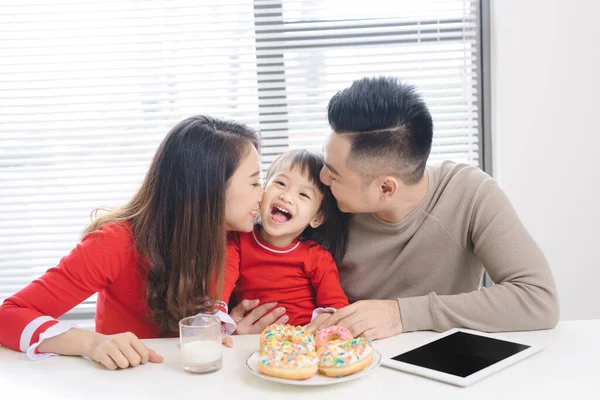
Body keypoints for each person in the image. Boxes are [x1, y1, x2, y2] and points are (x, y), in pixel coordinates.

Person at [0, 115, 287, 370]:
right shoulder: (115, 244)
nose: (263, 195)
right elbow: (7, 317)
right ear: (209, 190)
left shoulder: (235, 238)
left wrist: (228, 334)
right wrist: (91, 343)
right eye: (254, 182)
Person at [308, 76, 560, 339]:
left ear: (386, 188)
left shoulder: (468, 194)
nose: (323, 178)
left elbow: (538, 299)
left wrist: (401, 314)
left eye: (334, 175)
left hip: (443, 367)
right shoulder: (317, 198)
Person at [220, 149, 349, 327]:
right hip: (252, 341)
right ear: (262, 189)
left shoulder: (317, 257)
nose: (286, 196)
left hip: (302, 341)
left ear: (317, 218)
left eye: (303, 195)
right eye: (280, 183)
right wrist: (216, 321)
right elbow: (220, 285)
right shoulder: (238, 241)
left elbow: (336, 306)